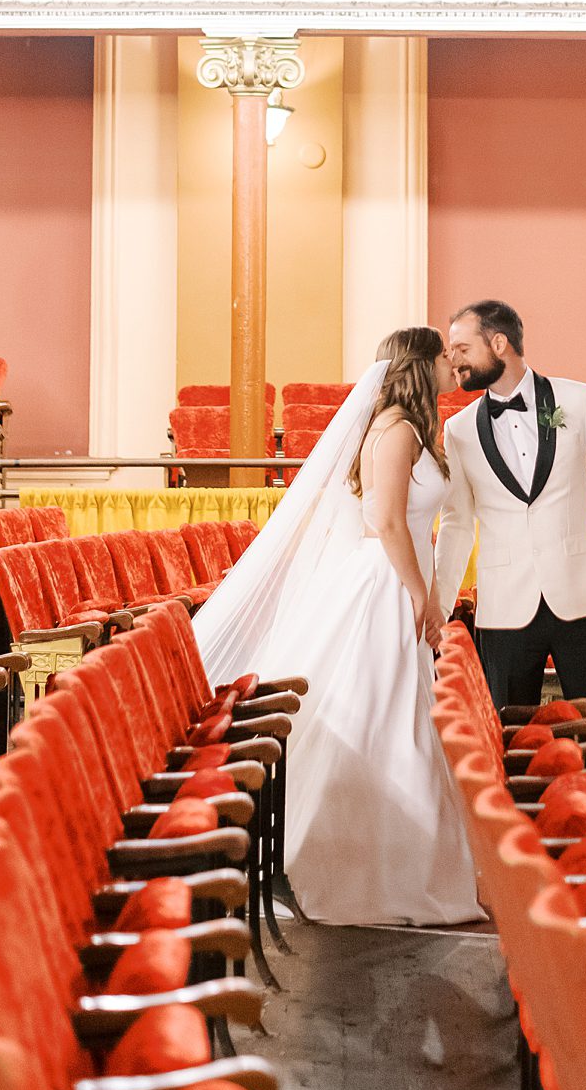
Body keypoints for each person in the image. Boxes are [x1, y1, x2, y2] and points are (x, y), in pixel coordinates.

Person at [192, 327, 479, 928]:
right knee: (383, 718)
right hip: (388, 583)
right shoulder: (399, 430)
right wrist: (424, 598)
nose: (451, 365)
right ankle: (357, 863)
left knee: (391, 717)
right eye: (441, 357)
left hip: (389, 579)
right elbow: (388, 524)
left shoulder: (400, 427)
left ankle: (387, 855)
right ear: (419, 367)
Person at [435, 298, 586, 787]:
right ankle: (515, 835)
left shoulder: (579, 400)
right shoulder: (458, 430)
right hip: (505, 603)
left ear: (498, 344)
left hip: (583, 594)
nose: (455, 359)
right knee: (506, 733)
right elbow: (457, 524)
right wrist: (439, 606)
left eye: (462, 347)